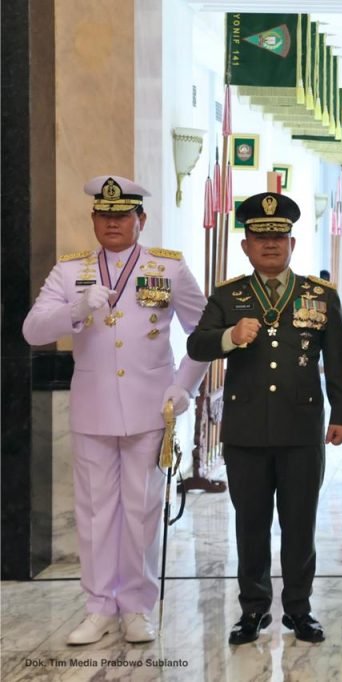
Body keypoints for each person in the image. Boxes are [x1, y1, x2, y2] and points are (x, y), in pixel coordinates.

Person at [22, 175, 208, 645]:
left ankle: (137, 608)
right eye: (104, 215)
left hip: (151, 408)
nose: (112, 223)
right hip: (94, 409)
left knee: (142, 510)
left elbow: (205, 333)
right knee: (95, 512)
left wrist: (183, 385)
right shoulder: (70, 272)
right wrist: (76, 308)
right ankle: (99, 606)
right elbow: (32, 330)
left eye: (122, 215)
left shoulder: (168, 268)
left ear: (140, 219)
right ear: (93, 219)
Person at [186, 192, 342, 645]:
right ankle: (253, 610)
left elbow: (338, 362)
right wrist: (229, 335)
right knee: (251, 525)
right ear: (246, 246)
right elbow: (197, 345)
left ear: (292, 243)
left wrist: (341, 414)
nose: (271, 244)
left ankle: (299, 609)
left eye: (279, 236)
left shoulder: (320, 295)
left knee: (300, 525)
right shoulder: (228, 296)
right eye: (261, 237)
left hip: (301, 430)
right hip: (245, 432)